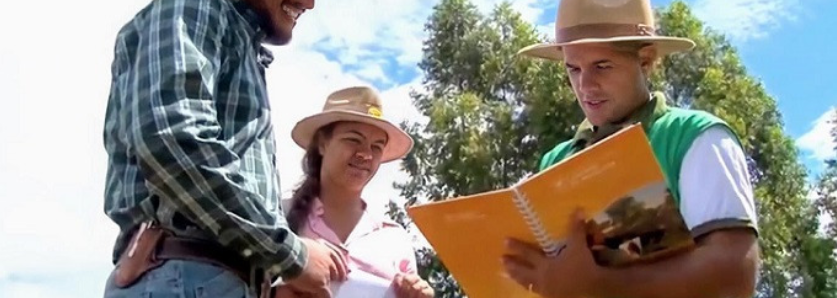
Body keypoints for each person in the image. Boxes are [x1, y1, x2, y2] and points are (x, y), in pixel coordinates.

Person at [500, 0, 761, 297]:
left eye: (602, 66)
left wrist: (601, 287)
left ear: (646, 60)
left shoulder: (694, 137)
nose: (585, 85)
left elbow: (735, 274)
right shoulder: (555, 160)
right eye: (573, 69)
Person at [101, 0, 349, 297]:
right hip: (183, 274)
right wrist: (291, 255)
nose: (309, 3)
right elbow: (175, 141)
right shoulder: (195, 6)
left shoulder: (236, 41)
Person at [274, 86, 435, 298]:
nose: (365, 154)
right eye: (353, 140)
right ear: (322, 143)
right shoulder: (275, 217)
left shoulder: (394, 238)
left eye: (377, 146)